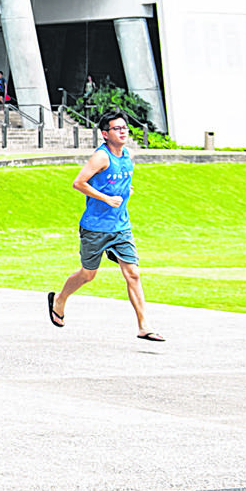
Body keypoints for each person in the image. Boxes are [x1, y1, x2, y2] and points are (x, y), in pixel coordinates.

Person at [47, 112, 161, 342]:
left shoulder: (127, 154)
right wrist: (106, 198)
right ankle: (59, 299)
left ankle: (144, 325)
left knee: (133, 274)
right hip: (95, 227)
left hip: (121, 226)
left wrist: (125, 191)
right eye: (117, 128)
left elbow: (120, 180)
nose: (123, 131)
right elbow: (78, 183)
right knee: (88, 274)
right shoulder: (101, 156)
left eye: (124, 128)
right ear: (105, 134)